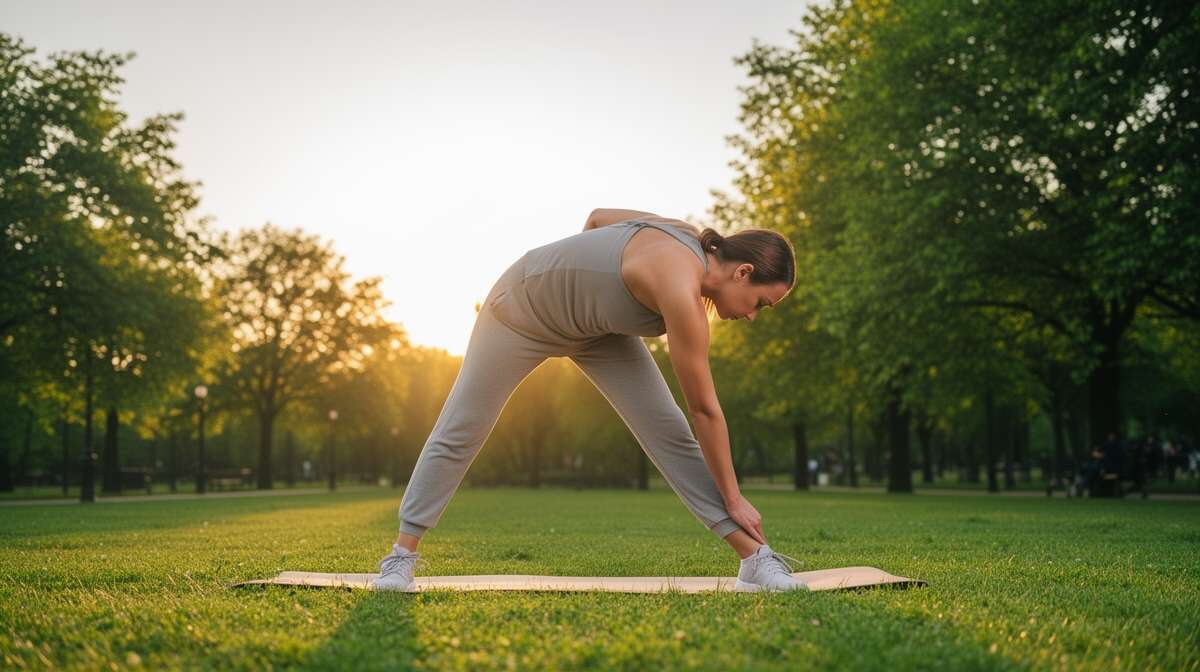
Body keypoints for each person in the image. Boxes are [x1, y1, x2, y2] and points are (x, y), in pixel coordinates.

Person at [372, 207, 805, 592]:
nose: (750, 316)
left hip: (595, 331)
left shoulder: (683, 241)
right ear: (743, 272)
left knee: (669, 433)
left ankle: (754, 559)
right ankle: (401, 557)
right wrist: (733, 496)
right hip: (518, 312)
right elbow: (705, 409)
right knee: (464, 425)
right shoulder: (681, 287)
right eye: (760, 305)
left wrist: (583, 288)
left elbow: (599, 219)